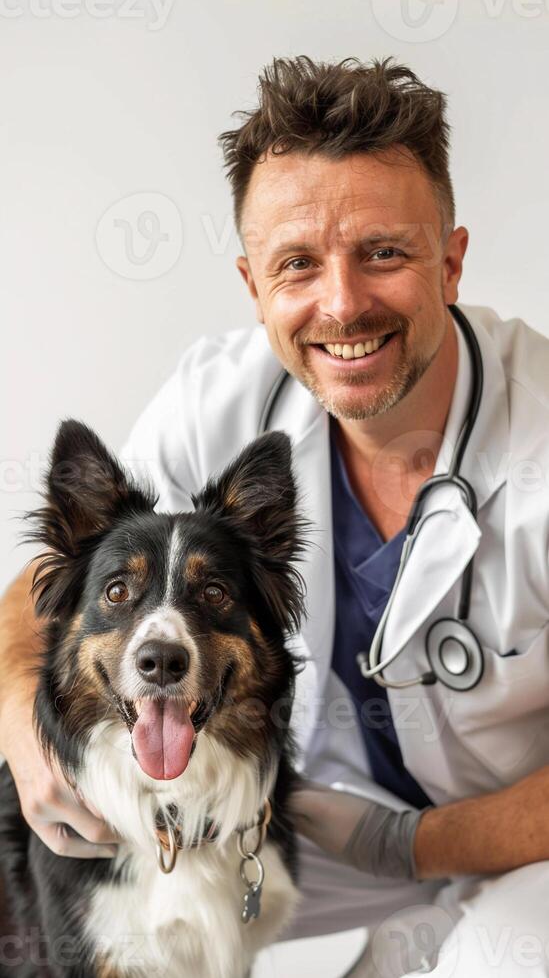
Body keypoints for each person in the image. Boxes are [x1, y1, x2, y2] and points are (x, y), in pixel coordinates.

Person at [3, 54, 549, 976]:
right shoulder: (221, 396)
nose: (341, 303)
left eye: (383, 251)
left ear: (450, 262)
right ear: (254, 285)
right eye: (298, 263)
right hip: (291, 814)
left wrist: (408, 846)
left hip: (514, 837)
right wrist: (21, 721)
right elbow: (59, 580)